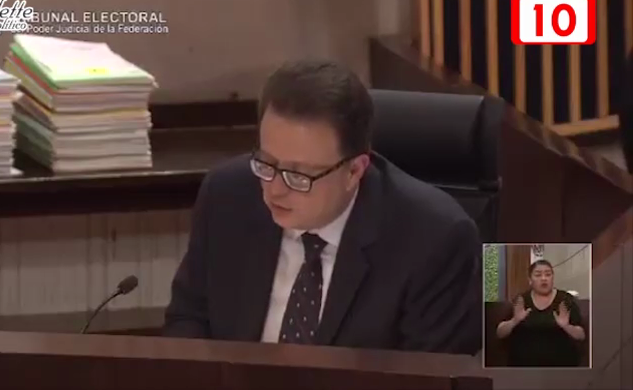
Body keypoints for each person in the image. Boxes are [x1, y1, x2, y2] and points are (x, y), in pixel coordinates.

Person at [163, 59, 482, 355]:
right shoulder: (227, 195)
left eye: (299, 175)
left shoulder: (435, 241)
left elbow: (431, 377)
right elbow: (188, 319)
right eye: (267, 163)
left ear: (354, 171)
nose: (274, 189)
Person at [496, 260, 586, 367]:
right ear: (530, 280)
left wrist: (567, 326)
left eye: (548, 274)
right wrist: (514, 321)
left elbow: (581, 335)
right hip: (523, 364)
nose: (544, 278)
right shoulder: (521, 300)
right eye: (538, 275)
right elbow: (500, 333)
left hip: (560, 364)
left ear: (552, 278)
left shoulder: (565, 300)